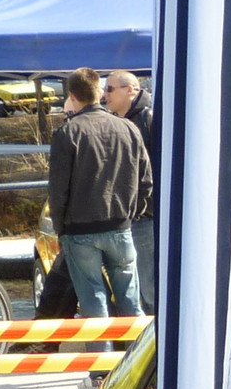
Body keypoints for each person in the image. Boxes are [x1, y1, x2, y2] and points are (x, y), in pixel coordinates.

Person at [48, 66, 150, 318]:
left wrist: (60, 229)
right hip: (120, 226)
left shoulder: (67, 133)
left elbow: (58, 190)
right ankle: (138, 355)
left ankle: (103, 356)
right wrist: (133, 213)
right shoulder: (128, 128)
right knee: (131, 301)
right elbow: (145, 179)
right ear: (99, 93)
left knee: (94, 305)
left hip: (80, 230)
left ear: (72, 95)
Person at [102, 70, 159, 312]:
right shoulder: (117, 123)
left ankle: (157, 346)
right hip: (126, 219)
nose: (104, 96)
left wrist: (142, 207)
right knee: (134, 290)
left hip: (146, 217)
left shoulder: (150, 119)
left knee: (150, 291)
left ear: (130, 90)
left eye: (109, 89)